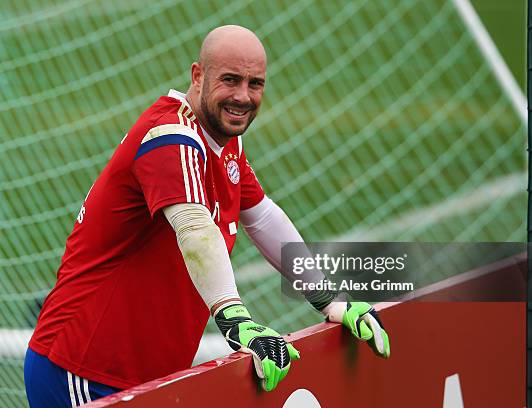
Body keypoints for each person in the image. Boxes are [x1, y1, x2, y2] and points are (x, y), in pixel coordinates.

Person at [24, 25, 390, 407]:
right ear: (197, 76)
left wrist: (328, 299)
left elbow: (263, 218)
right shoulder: (170, 136)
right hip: (85, 370)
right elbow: (196, 228)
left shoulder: (225, 141)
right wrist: (236, 321)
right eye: (230, 80)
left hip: (146, 376)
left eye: (255, 83)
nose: (243, 96)